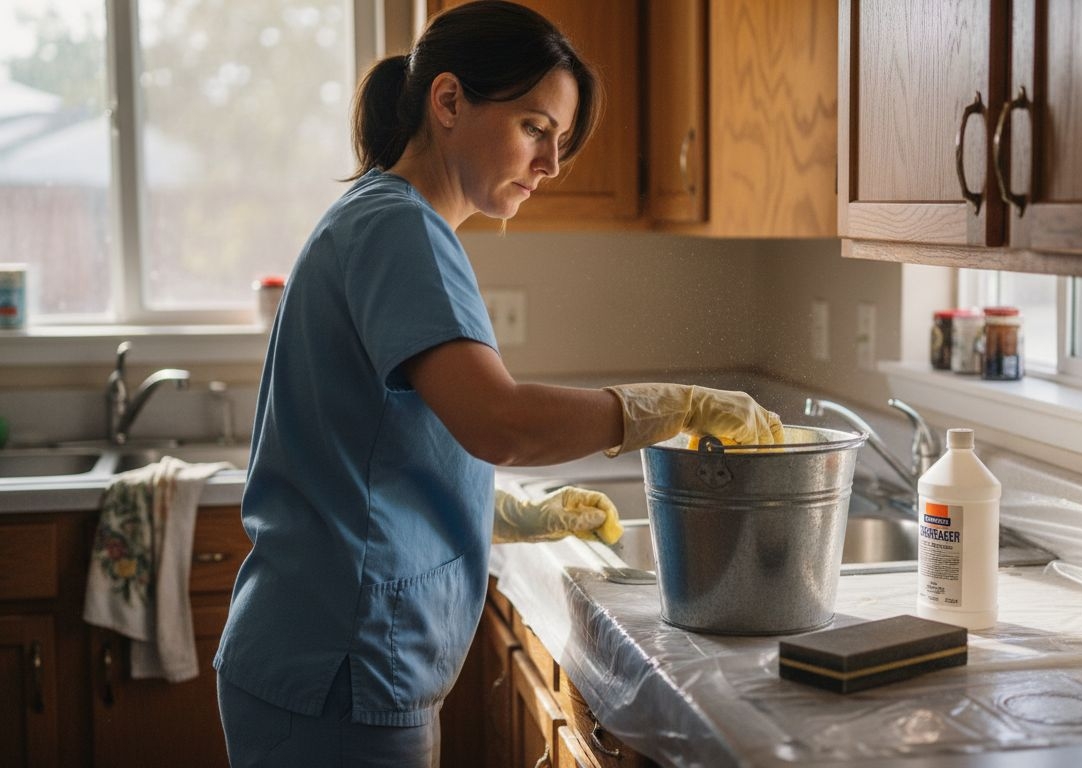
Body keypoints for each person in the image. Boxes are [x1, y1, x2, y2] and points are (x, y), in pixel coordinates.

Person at [212, 2, 782, 765]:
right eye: (535, 129)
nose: (550, 164)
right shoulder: (399, 227)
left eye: (561, 142)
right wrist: (669, 406)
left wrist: (505, 511)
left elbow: (383, 445)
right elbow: (501, 423)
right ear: (448, 102)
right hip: (339, 670)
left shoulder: (390, 219)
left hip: (330, 662)